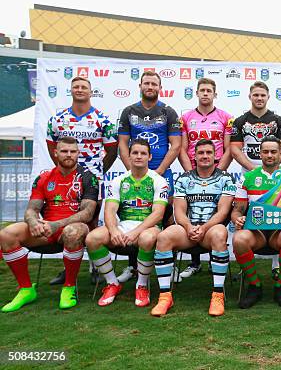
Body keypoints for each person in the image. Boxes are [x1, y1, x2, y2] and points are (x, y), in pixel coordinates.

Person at [0, 137, 98, 311]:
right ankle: (26, 289)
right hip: (46, 230)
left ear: (78, 154)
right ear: (55, 153)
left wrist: (56, 224)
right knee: (7, 234)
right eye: (64, 151)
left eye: (73, 151)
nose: (69, 155)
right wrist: (33, 222)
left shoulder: (88, 177)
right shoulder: (44, 178)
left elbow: (87, 213)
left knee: (72, 231)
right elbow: (31, 209)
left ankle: (69, 287)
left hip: (73, 229)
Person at [46, 76, 118, 285]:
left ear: (90, 92)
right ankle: (68, 269)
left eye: (83, 87)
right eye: (76, 87)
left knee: (93, 221)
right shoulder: (58, 119)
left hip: (92, 178)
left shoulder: (102, 119)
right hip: (67, 178)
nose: (80, 90)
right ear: (71, 90)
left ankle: (95, 266)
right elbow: (52, 147)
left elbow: (112, 150)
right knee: (68, 220)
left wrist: (96, 171)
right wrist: (64, 170)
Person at [151, 139, 235, 317]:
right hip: (188, 228)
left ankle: (217, 295)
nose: (205, 156)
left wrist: (203, 228)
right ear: (194, 156)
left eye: (209, 153)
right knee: (164, 237)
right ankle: (165, 296)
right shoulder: (184, 178)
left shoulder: (225, 178)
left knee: (221, 233)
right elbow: (179, 210)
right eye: (201, 153)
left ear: (215, 156)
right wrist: (188, 226)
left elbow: (223, 212)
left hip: (210, 229)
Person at [86, 139, 168, 307]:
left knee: (146, 238)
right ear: (129, 156)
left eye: (143, 153)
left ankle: (142, 285)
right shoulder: (119, 180)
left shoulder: (158, 180)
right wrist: (114, 230)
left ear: (150, 157)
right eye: (135, 153)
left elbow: (158, 214)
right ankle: (112, 283)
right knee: (92, 238)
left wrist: (135, 232)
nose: (139, 156)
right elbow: (109, 210)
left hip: (148, 228)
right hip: (123, 226)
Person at [116, 71, 181, 283]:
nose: (150, 86)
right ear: (140, 86)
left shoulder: (168, 111)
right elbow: (123, 145)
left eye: (154, 83)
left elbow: (176, 145)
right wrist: (132, 172)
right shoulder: (128, 111)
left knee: (167, 217)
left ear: (159, 87)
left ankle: (167, 265)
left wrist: (158, 171)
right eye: (147, 83)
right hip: (135, 174)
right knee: (133, 215)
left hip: (162, 173)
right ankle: (132, 267)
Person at [231, 136, 281, 309]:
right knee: (238, 239)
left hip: (278, 233)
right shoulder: (248, 177)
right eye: (265, 151)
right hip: (255, 232)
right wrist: (237, 218)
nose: (269, 155)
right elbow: (237, 210)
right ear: (259, 154)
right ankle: (254, 285)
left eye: (273, 151)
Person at [230, 81, 281, 278]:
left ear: (268, 97)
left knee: (277, 214)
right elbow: (235, 149)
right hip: (249, 174)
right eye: (256, 95)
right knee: (248, 217)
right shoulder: (240, 120)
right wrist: (254, 169)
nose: (259, 98)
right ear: (250, 97)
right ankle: (245, 265)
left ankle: (277, 265)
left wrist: (270, 167)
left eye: (262, 95)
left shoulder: (277, 119)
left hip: (274, 173)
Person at [177, 77, 234, 279]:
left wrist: (219, 172)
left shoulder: (225, 117)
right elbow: (182, 148)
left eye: (209, 90)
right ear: (197, 93)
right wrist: (188, 173)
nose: (206, 93)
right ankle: (194, 263)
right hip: (193, 171)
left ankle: (214, 259)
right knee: (193, 211)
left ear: (215, 94)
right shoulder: (185, 118)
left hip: (216, 172)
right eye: (202, 90)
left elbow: (229, 149)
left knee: (217, 212)